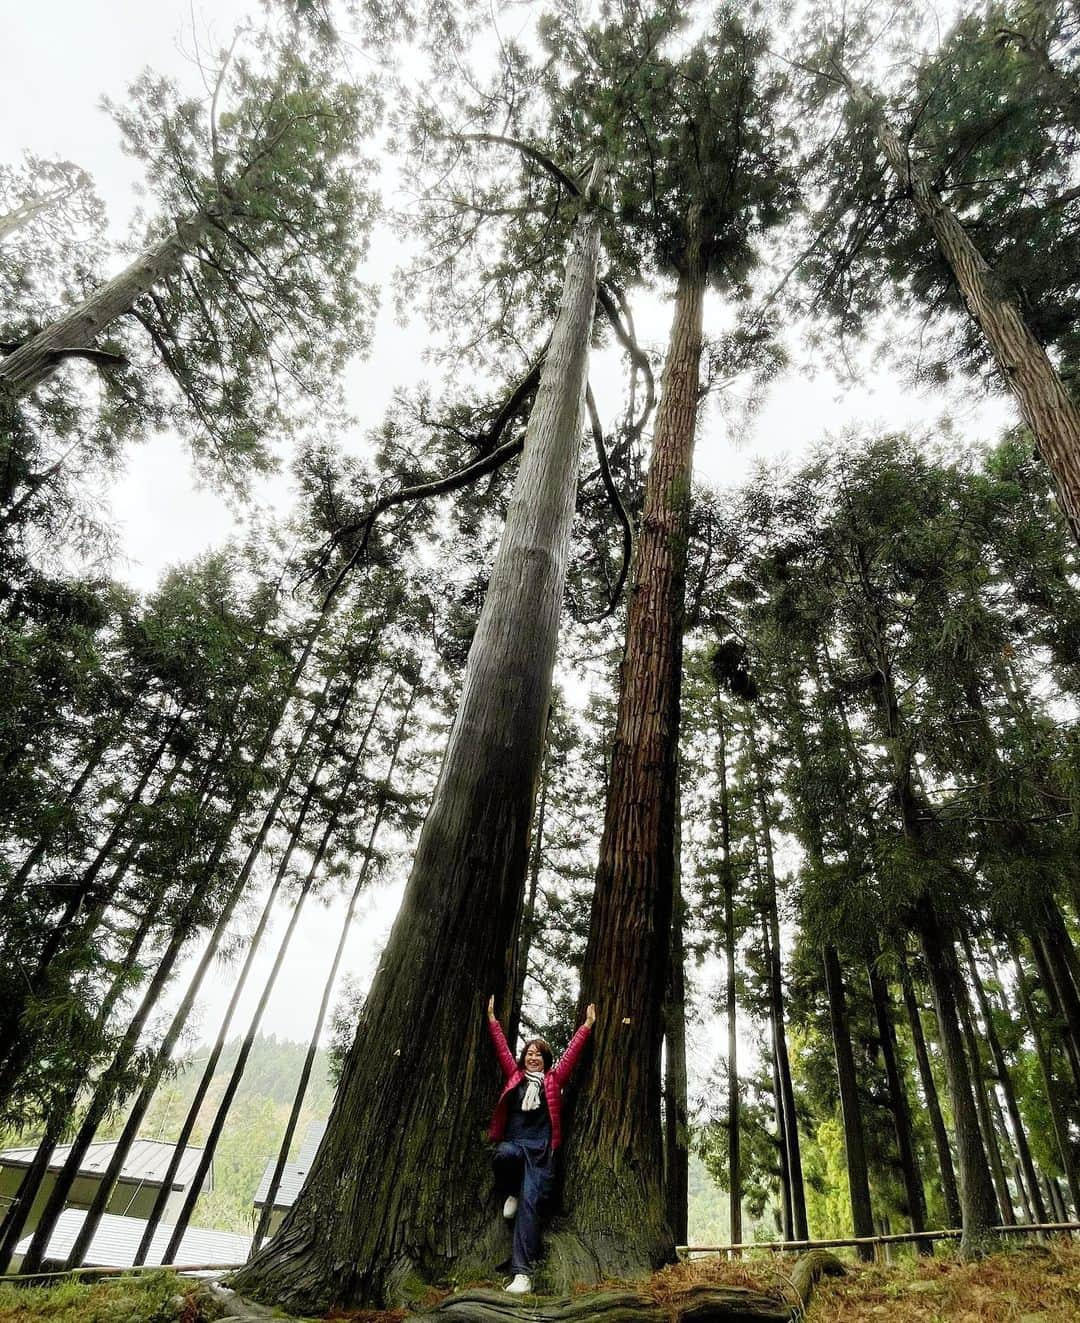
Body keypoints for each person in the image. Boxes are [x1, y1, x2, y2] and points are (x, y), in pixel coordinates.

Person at [485, 995, 596, 1295]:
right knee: (502, 1155)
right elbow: (502, 1050)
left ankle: (522, 1274)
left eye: (539, 1055)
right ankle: (511, 1192)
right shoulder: (516, 1077)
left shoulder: (553, 1080)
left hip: (541, 1155)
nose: (533, 1057)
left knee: (530, 1207)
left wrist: (586, 1026)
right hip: (516, 1146)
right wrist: (493, 1021)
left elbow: (571, 1056)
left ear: (546, 1060)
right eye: (529, 1054)